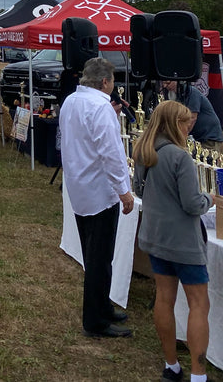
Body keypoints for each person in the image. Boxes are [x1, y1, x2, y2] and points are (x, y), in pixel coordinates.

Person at [133, 100, 221, 382]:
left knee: (164, 298)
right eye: (185, 123)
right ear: (175, 125)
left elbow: (139, 190)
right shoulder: (179, 157)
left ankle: (171, 365)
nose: (189, 128)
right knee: (199, 304)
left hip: (156, 237)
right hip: (183, 242)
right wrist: (211, 198)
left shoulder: (144, 151)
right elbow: (193, 204)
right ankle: (198, 375)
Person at [59, 56, 135, 338]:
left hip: (79, 185)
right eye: (112, 81)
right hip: (99, 190)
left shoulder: (71, 101)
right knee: (99, 258)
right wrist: (123, 190)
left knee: (98, 256)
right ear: (104, 82)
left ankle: (102, 306)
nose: (113, 86)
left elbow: (78, 138)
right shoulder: (99, 106)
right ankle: (95, 320)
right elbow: (111, 153)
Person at [160, 80, 223, 151]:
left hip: (210, 139)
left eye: (168, 83)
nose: (165, 86)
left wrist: (179, 138)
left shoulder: (192, 92)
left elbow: (192, 118)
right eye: (163, 83)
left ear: (177, 81)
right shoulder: (173, 95)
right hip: (198, 139)